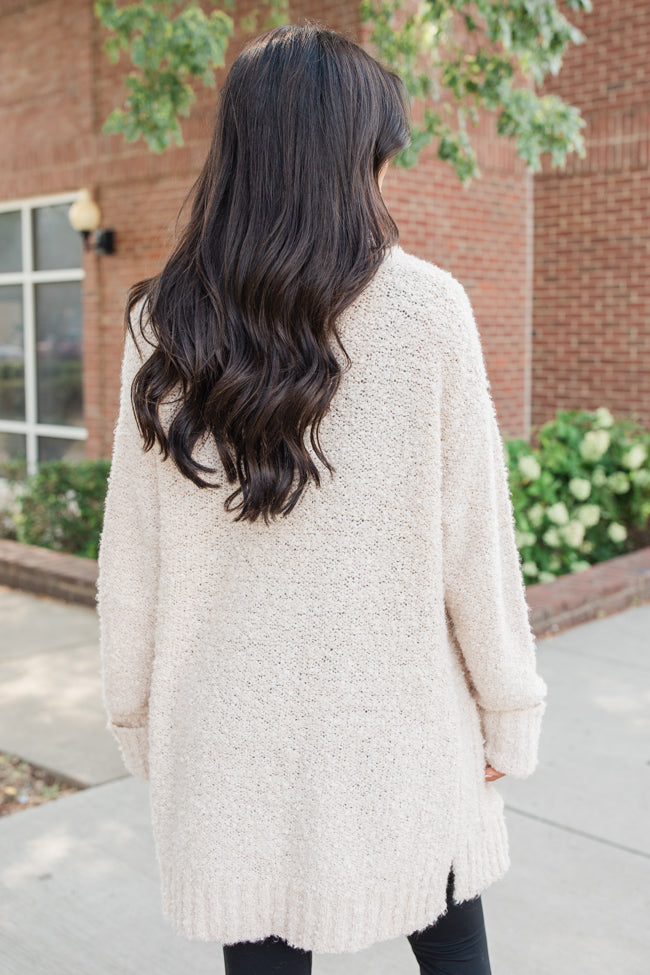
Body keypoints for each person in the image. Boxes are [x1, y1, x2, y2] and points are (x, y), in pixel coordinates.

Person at [96, 19, 548, 975]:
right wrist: (510, 706)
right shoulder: (428, 310)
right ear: (351, 157)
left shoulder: (162, 322)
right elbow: (478, 542)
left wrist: (134, 711)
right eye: (380, 155)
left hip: (225, 739)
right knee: (453, 946)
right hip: (403, 729)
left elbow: (129, 552)